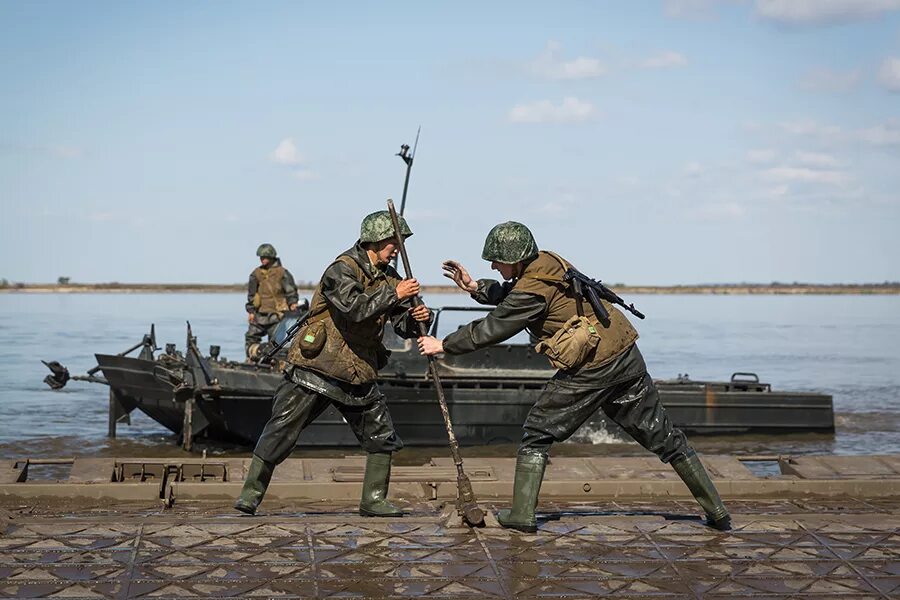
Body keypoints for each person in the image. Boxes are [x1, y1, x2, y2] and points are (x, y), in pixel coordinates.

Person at [417, 222, 730, 532]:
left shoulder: (531, 288)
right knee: (663, 437)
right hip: (624, 353)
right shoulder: (547, 261)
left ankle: (522, 515)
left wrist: (443, 344)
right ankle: (717, 511)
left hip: (592, 367)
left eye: (497, 260)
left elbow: (494, 327)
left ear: (515, 258)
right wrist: (475, 287)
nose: (493, 265)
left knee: (537, 432)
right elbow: (515, 294)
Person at [235, 211, 432, 517]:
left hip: (358, 369)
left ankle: (374, 500)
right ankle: (250, 494)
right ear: (375, 240)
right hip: (317, 367)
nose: (398, 248)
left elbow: (400, 322)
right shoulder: (342, 269)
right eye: (394, 241)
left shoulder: (390, 278)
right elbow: (354, 308)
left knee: (382, 436)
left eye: (400, 242)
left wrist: (418, 317)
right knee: (281, 428)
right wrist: (394, 293)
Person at [245, 243, 300, 358]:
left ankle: (273, 364)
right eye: (261, 257)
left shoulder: (282, 272)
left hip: (277, 314)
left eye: (265, 257)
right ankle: (252, 359)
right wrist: (251, 311)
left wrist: (293, 303)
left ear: (271, 257)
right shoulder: (256, 274)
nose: (262, 260)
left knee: (275, 343)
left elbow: (291, 291)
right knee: (251, 337)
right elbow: (251, 294)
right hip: (259, 313)